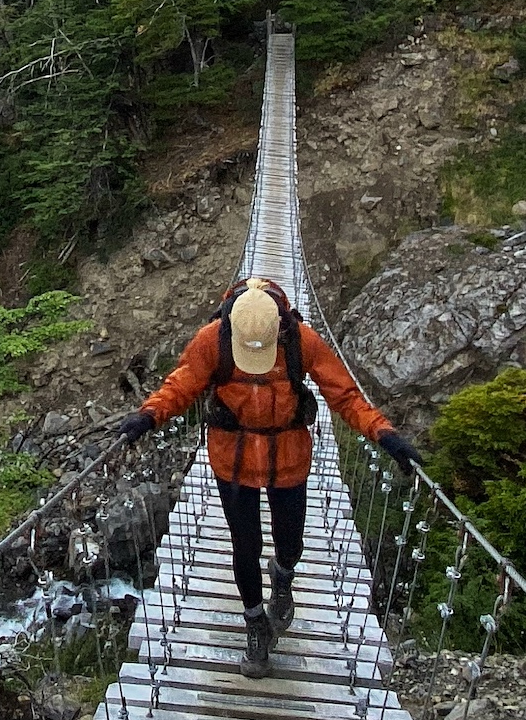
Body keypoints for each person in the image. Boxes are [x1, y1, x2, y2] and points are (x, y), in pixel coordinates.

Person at [117, 277, 421, 677]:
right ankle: (255, 624)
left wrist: (386, 435)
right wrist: (148, 416)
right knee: (246, 545)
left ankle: (284, 577)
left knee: (289, 542)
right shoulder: (213, 340)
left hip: (288, 457)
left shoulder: (301, 341)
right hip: (234, 459)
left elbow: (343, 394)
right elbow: (181, 385)